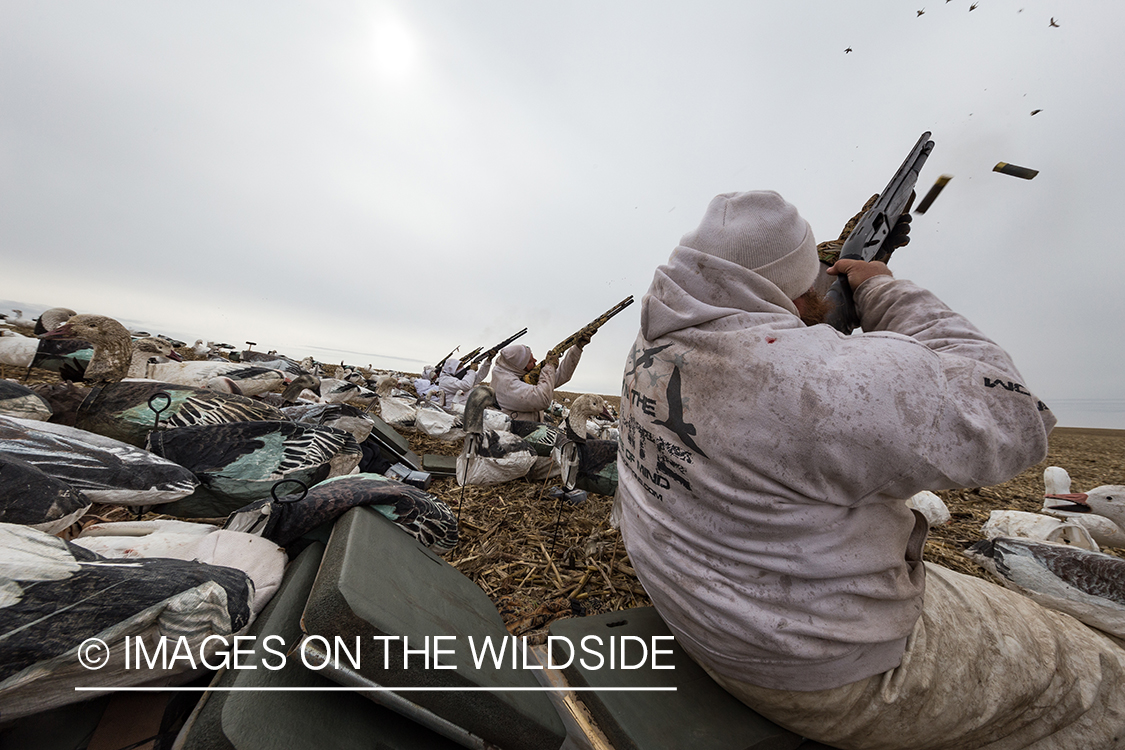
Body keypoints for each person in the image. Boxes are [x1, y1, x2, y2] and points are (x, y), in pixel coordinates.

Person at [615, 190, 1125, 749]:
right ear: (796, 288)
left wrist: (825, 287)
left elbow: (772, 329)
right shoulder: (818, 381)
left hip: (706, 610)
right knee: (1092, 677)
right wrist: (885, 289)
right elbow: (1016, 418)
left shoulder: (659, 336)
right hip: (814, 668)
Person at [490, 337, 589, 421]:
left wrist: (577, 348)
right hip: (513, 438)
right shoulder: (505, 383)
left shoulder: (518, 374)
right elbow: (543, 399)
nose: (535, 361)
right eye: (529, 361)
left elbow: (561, 376)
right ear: (518, 366)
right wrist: (549, 367)